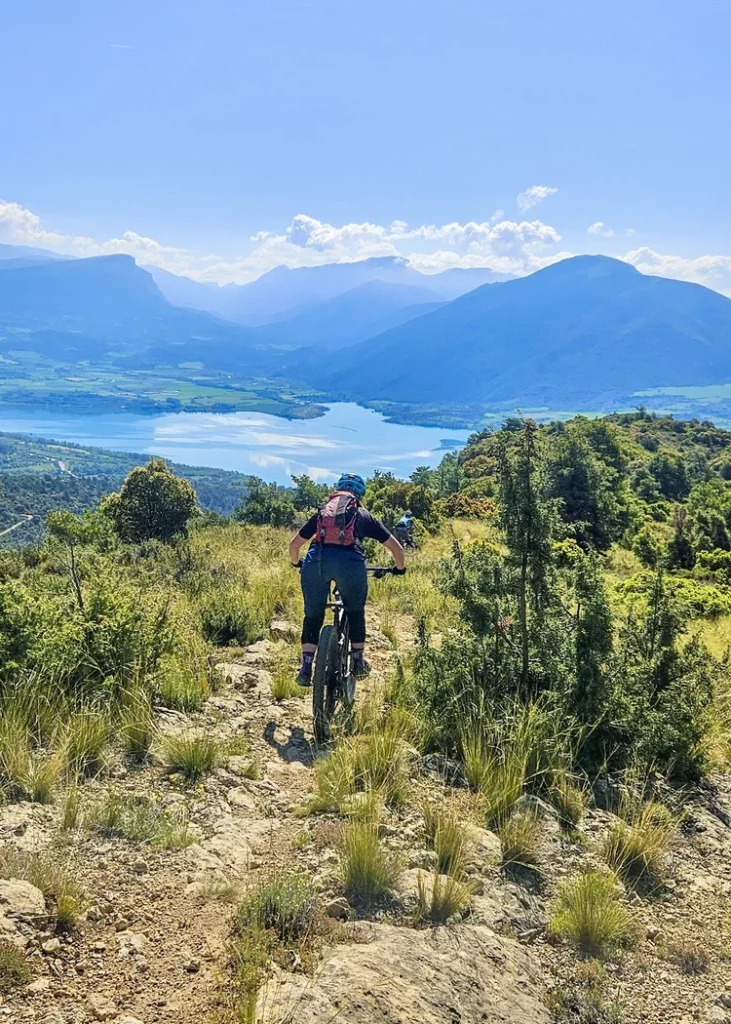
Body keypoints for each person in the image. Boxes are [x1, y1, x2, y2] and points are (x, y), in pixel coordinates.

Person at [288, 472, 406, 686]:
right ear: (360, 495)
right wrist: (399, 569)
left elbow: (294, 546)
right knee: (355, 611)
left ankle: (306, 668)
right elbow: (396, 549)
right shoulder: (364, 515)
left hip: (317, 562)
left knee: (312, 616)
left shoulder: (322, 513)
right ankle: (358, 662)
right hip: (351, 565)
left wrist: (298, 564)